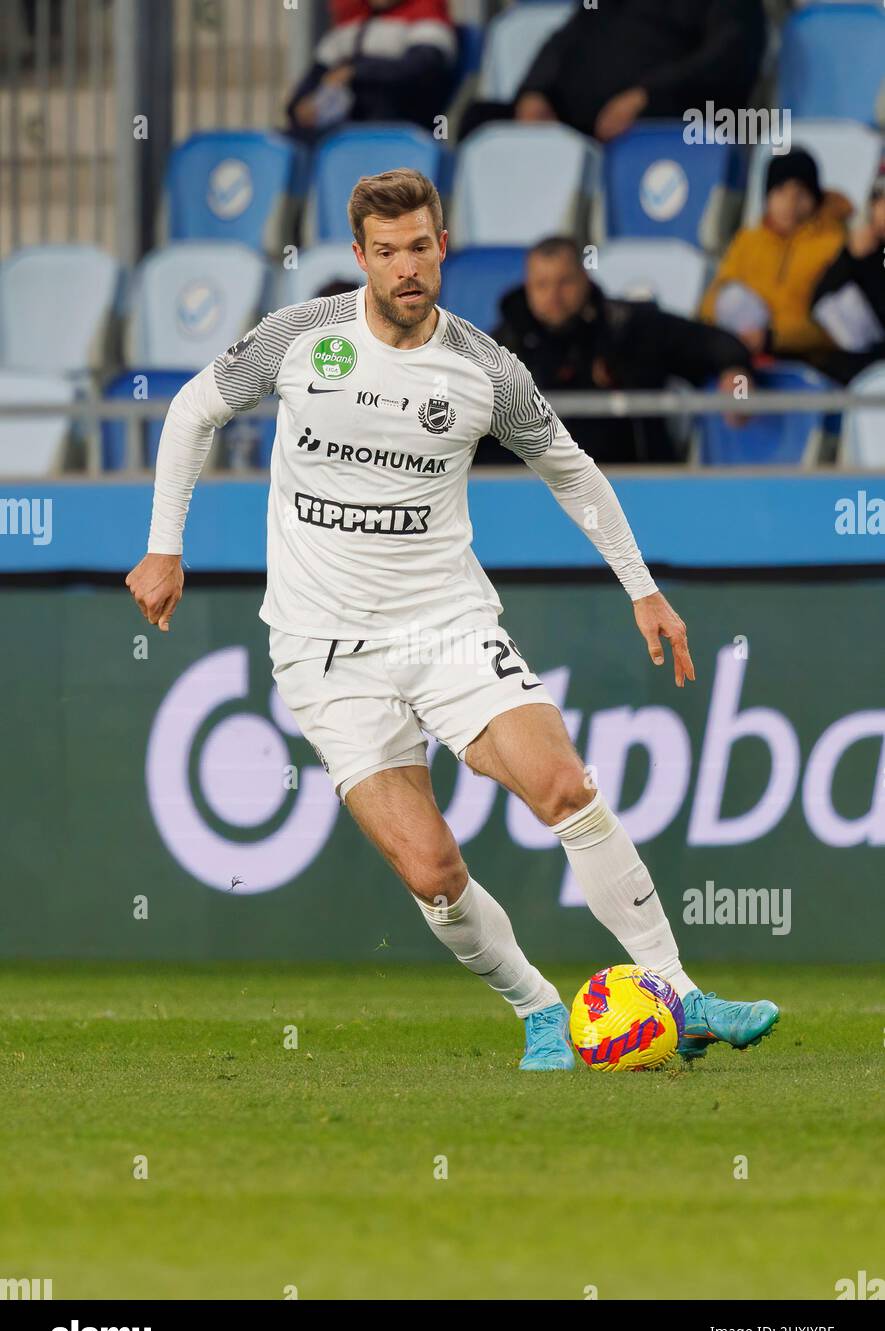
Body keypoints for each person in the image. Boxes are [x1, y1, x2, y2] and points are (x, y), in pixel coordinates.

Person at [126, 168, 778, 1071]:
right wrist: (165, 545)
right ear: (359, 257)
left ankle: (679, 991)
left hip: (446, 625)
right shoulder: (302, 337)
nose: (405, 267)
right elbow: (195, 407)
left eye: (419, 247)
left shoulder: (483, 367)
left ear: (444, 247)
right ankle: (539, 1010)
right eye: (385, 252)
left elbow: (571, 468)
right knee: (432, 873)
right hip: (323, 651)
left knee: (564, 787)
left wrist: (642, 588)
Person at [491, 236, 752, 463]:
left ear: (585, 277)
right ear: (528, 288)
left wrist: (737, 377)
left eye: (565, 282)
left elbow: (719, 344)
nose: (554, 296)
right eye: (542, 285)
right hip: (525, 494)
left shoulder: (629, 327)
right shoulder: (503, 345)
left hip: (633, 488)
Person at [460, 0, 766, 143]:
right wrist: (535, 92)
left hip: (659, 116)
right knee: (479, 120)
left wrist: (645, 97)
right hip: (567, 119)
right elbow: (566, 38)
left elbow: (726, 60)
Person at [700, 147, 852, 365]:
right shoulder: (748, 240)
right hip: (742, 348)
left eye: (801, 193)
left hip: (803, 357)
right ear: (767, 196)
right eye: (780, 191)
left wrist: (772, 338)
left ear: (815, 197)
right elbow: (713, 299)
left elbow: (833, 327)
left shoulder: (834, 244)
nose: (790, 204)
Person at [286, 0, 456, 140]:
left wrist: (356, 72)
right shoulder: (347, 27)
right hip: (335, 136)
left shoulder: (428, 16)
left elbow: (422, 68)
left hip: (395, 133)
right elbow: (313, 79)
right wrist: (301, 107)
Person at [811, 165, 885, 384]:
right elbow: (820, 302)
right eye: (879, 200)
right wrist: (850, 257)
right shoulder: (861, 249)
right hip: (860, 368)